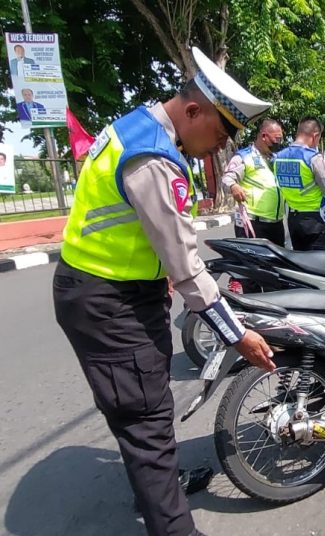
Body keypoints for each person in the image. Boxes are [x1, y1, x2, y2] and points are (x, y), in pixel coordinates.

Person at [52, 47, 276, 536]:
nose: (216, 149)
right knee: (147, 419)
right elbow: (188, 268)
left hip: (106, 288)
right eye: (217, 135)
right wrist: (238, 336)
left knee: (139, 413)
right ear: (193, 110)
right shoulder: (154, 158)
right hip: (109, 301)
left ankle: (158, 485)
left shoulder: (139, 125)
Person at [275, 117, 325, 250]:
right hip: (313, 221)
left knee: (301, 264)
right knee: (319, 265)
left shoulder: (278, 157)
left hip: (292, 220)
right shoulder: (312, 158)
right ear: (315, 136)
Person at [221, 118, 285, 245]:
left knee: (277, 264)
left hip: (276, 224)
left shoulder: (276, 158)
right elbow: (227, 178)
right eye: (277, 139)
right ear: (264, 136)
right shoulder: (244, 156)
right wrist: (234, 186)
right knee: (254, 264)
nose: (279, 142)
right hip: (253, 223)